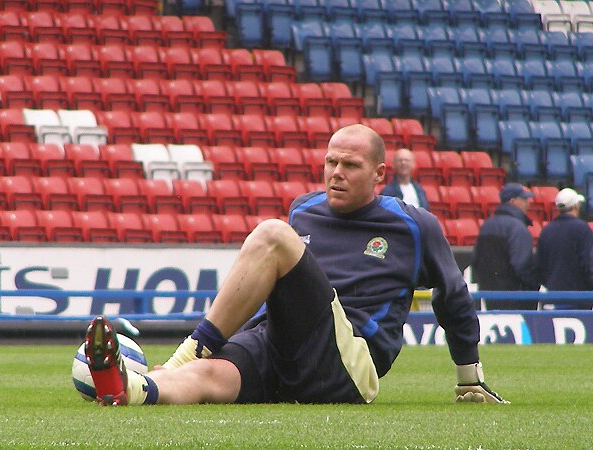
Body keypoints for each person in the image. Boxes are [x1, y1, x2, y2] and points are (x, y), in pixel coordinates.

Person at [83, 124, 508, 407]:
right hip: (281, 345)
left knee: (272, 235)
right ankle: (131, 388)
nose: (336, 173)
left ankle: (179, 357)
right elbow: (280, 294)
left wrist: (468, 376)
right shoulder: (303, 210)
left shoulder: (413, 226)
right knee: (207, 375)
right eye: (330, 162)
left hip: (348, 365)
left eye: (350, 165)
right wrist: (245, 341)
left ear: (380, 174)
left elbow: (453, 297)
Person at [471, 182, 540, 310]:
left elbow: (476, 260)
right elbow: (521, 266)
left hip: (490, 298)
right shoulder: (518, 228)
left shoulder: (486, 226)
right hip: (517, 300)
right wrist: (534, 286)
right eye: (524, 199)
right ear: (513, 201)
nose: (528, 203)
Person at [536, 188, 593, 309]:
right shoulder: (582, 229)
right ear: (576, 206)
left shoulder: (546, 230)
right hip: (579, 298)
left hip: (553, 295)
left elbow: (539, 266)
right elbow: (588, 264)